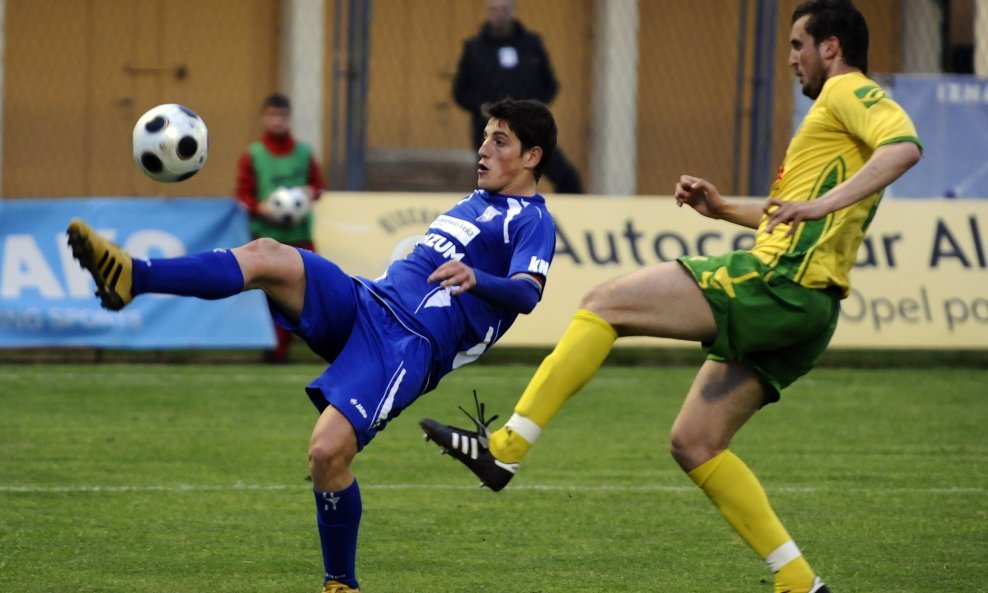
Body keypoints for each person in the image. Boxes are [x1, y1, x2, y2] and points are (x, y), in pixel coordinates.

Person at [420, 2, 922, 592]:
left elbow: (904, 147)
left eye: (796, 46)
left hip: (778, 284)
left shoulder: (848, 92)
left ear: (829, 47)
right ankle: (798, 583)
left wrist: (820, 205)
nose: (791, 60)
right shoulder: (833, 121)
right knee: (695, 442)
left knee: (604, 302)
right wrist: (725, 208)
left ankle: (505, 448)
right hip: (810, 310)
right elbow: (791, 214)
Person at [67, 98, 559, 593]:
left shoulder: (532, 220)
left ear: (532, 157)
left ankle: (340, 583)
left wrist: (478, 278)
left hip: (407, 344)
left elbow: (528, 292)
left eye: (500, 141)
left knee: (326, 453)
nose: (483, 150)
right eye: (484, 137)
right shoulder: (475, 201)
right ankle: (134, 276)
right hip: (366, 300)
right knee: (267, 255)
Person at [453, 0, 584, 194]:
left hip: (528, 127)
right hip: (490, 128)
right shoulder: (474, 48)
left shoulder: (531, 44)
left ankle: (555, 219)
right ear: (487, 12)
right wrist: (483, 108)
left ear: (513, 11)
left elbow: (549, 85)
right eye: (494, 10)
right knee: (491, 181)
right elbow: (460, 92)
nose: (499, 15)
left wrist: (531, 108)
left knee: (568, 179)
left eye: (504, 9)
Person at [235, 92, 327, 363]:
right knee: (273, 296)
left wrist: (309, 193)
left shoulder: (304, 152)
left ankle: (324, 346)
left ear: (289, 118)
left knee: (312, 290)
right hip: (267, 237)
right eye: (272, 115)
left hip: (301, 236)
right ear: (265, 117)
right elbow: (242, 194)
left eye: (282, 116)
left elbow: (318, 186)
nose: (277, 121)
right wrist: (260, 207)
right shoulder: (253, 154)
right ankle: (276, 351)